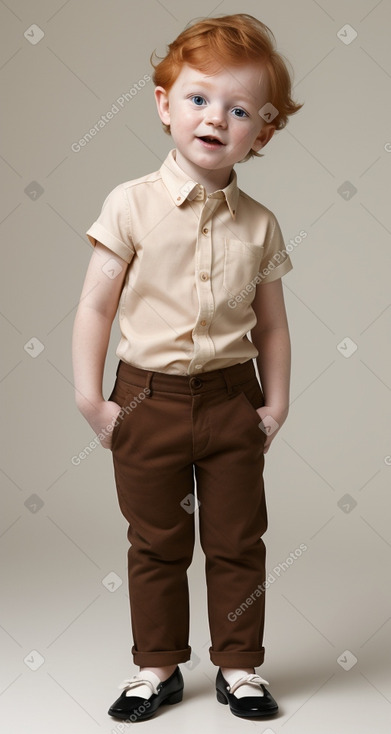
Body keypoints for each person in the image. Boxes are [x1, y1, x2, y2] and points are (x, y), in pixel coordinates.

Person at [72, 12, 302, 721]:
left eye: (239, 110)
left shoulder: (258, 223)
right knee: (155, 543)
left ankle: (239, 669)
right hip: (146, 401)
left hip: (233, 400)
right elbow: (94, 310)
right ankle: (157, 668)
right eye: (198, 98)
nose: (215, 119)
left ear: (261, 133)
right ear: (163, 102)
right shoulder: (130, 205)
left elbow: (271, 323)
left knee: (238, 542)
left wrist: (275, 403)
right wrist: (92, 400)